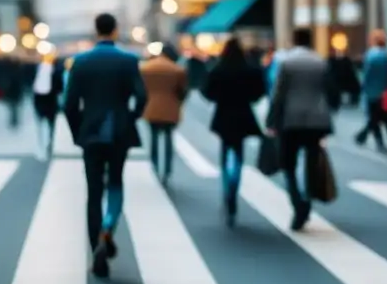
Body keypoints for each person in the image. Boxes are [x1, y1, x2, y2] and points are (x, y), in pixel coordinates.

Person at [64, 13, 147, 279]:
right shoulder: (129, 60)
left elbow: (68, 104)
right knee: (116, 182)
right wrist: (130, 118)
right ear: (115, 29)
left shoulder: (80, 62)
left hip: (91, 132)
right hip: (119, 130)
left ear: (95, 29)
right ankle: (108, 226)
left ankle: (95, 249)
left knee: (93, 190)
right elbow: (142, 97)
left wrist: (78, 130)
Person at [266, 27, 336, 231]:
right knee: (312, 163)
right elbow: (330, 91)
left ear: (294, 40)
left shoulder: (287, 62)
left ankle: (298, 204)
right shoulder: (320, 62)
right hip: (317, 120)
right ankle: (308, 197)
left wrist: (271, 120)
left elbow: (278, 94)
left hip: (291, 120)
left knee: (288, 165)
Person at [202, 38, 266, 226]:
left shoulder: (219, 69)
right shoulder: (250, 70)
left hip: (223, 114)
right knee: (238, 153)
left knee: (224, 152)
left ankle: (226, 189)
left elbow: (207, 91)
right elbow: (260, 91)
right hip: (243, 113)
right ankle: (234, 187)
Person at [140, 43, 188, 185]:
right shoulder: (177, 70)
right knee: (168, 140)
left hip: (151, 107)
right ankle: (167, 171)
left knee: (154, 139)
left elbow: (141, 89)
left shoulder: (146, 68)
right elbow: (182, 91)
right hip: (170, 108)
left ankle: (154, 167)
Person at [354, 29, 387, 156]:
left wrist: (363, 89)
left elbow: (366, 75)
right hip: (386, 94)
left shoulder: (370, 56)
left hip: (372, 93)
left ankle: (379, 143)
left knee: (374, 119)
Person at [31, 51, 65, 158]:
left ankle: (49, 145)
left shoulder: (57, 70)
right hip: (40, 99)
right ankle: (42, 145)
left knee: (51, 125)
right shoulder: (36, 68)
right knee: (41, 124)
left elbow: (60, 85)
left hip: (51, 100)